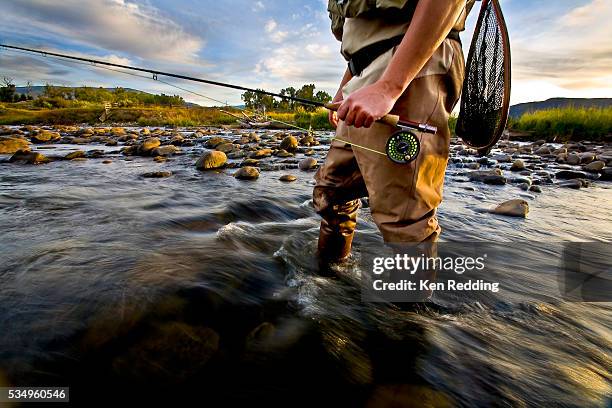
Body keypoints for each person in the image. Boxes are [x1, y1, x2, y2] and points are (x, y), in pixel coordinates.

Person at [315, 0, 476, 267]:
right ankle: (326, 283)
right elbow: (361, 42)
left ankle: (406, 309)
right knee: (332, 194)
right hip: (363, 81)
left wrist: (389, 87)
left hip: (410, 67)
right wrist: (343, 91)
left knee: (405, 222)